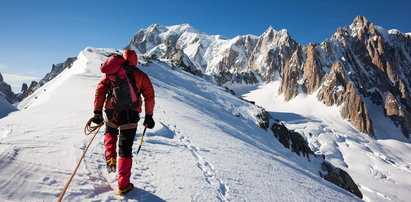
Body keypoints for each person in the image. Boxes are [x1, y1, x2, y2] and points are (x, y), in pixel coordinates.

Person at [92, 49, 155, 195]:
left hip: (111, 111)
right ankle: (123, 186)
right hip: (130, 115)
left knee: (110, 134)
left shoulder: (112, 72)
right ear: (135, 60)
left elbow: (100, 90)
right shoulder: (141, 75)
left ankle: (110, 159)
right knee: (125, 149)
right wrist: (149, 116)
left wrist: (97, 111)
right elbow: (149, 96)